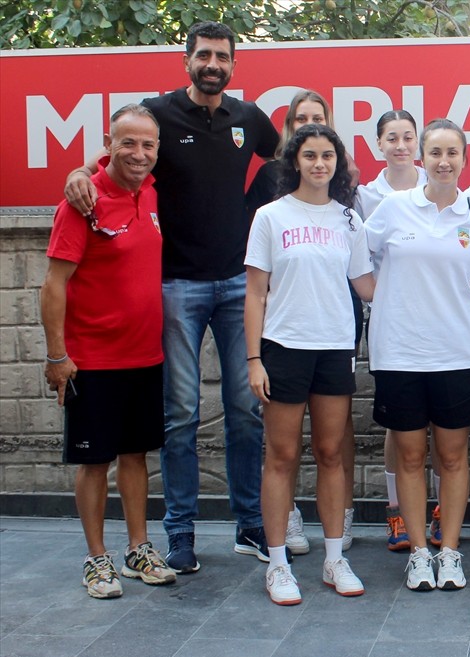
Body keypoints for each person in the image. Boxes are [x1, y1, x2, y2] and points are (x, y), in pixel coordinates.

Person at [63, 21, 279, 574]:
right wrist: (79, 172)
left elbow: (290, 159)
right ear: (187, 61)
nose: (213, 64)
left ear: (233, 64)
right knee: (180, 415)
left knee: (245, 412)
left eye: (222, 56)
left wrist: (260, 213)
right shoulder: (157, 114)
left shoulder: (248, 118)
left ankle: (249, 525)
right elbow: (119, 151)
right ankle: (179, 533)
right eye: (204, 55)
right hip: (176, 285)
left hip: (237, 285)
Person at [42, 104, 176, 599]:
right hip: (92, 360)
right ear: (108, 143)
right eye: (128, 143)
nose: (139, 154)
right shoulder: (82, 200)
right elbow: (53, 285)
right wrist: (58, 356)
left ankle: (137, 547)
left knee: (135, 456)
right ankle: (96, 558)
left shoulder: (154, 194)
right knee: (94, 461)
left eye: (148, 145)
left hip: (145, 356)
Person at [365, 119, 470, 592]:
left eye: (454, 153)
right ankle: (420, 553)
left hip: (456, 354)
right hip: (399, 353)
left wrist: (463, 294)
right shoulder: (394, 208)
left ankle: (450, 552)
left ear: (466, 159)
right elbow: (357, 259)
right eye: (436, 153)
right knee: (409, 456)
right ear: (422, 157)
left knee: (454, 456)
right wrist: (385, 298)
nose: (445, 161)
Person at [245, 124, 375, 605]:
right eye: (311, 156)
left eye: (328, 156)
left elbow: (367, 286)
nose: (320, 164)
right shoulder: (270, 216)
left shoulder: (348, 220)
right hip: (283, 348)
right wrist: (254, 358)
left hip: (335, 350)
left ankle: (334, 557)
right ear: (294, 162)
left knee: (330, 455)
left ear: (338, 163)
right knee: (280, 457)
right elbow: (255, 293)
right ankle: (278, 564)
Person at [352, 109, 427, 554]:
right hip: (389, 323)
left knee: (440, 425)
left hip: (438, 326)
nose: (400, 145)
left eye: (407, 137)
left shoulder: (437, 185)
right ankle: (397, 511)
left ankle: (434, 509)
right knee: (398, 425)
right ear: (379, 144)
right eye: (391, 138)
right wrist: (386, 299)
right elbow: (358, 258)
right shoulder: (365, 197)